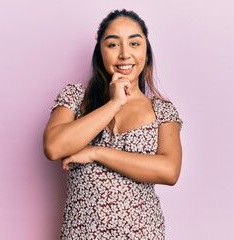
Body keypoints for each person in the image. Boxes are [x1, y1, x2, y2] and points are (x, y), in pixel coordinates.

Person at [43, 9, 183, 239]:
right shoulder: (76, 97)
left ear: (146, 53)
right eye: (113, 44)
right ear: (100, 52)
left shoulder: (162, 111)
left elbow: (169, 171)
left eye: (135, 43)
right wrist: (115, 103)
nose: (125, 54)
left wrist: (97, 152)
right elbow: (53, 147)